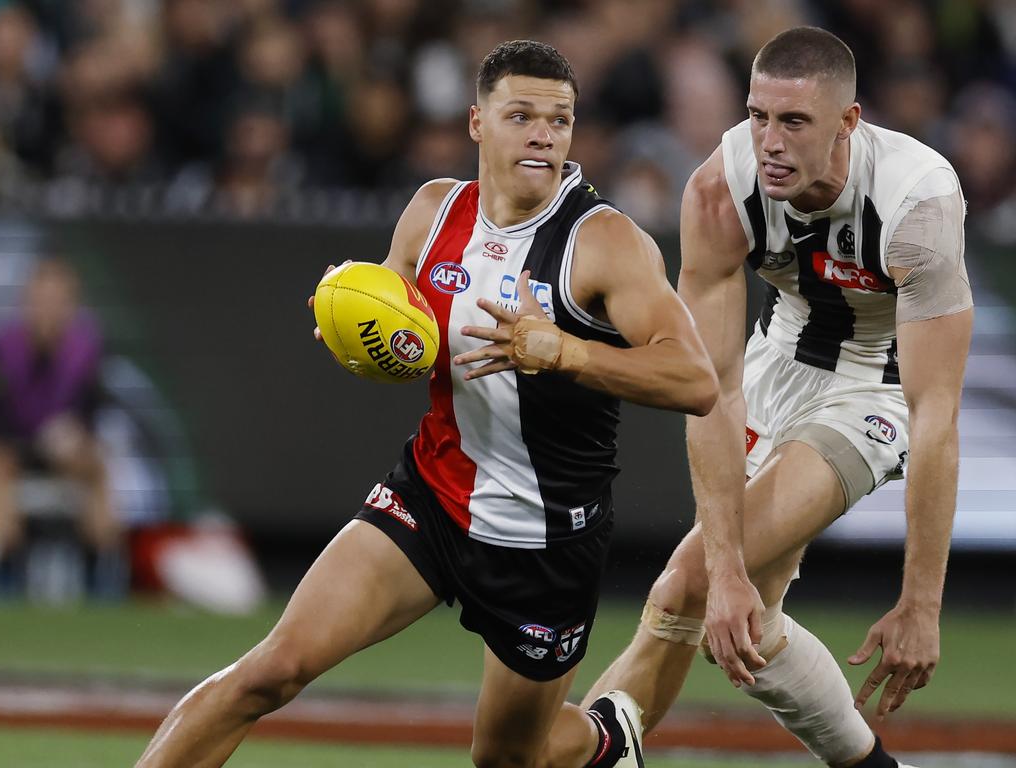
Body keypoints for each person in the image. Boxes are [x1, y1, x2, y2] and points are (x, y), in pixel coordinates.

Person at [135, 40, 718, 768]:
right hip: (431, 498)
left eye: (559, 120)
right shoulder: (432, 212)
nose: (543, 134)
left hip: (543, 541)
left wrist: (565, 351)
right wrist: (350, 323)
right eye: (522, 115)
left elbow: (695, 379)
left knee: (506, 758)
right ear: (477, 123)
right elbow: (398, 328)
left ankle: (604, 740)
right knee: (268, 672)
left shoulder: (603, 243)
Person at [549, 26, 972, 768]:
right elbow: (708, 391)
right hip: (769, 368)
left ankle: (580, 754)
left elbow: (936, 417)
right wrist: (731, 574)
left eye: (795, 122)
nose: (769, 142)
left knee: (687, 583)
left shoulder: (917, 205)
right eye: (758, 116)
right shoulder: (719, 188)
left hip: (878, 389)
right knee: (740, 613)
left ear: (849, 122)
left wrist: (921, 604)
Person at [0, 257, 121, 590]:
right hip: (14, 449)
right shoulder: (4, 348)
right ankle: (9, 572)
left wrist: (74, 436)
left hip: (65, 452)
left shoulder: (86, 350)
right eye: (42, 300)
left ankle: (102, 576)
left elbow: (91, 412)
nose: (49, 309)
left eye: (58, 300)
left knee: (96, 465)